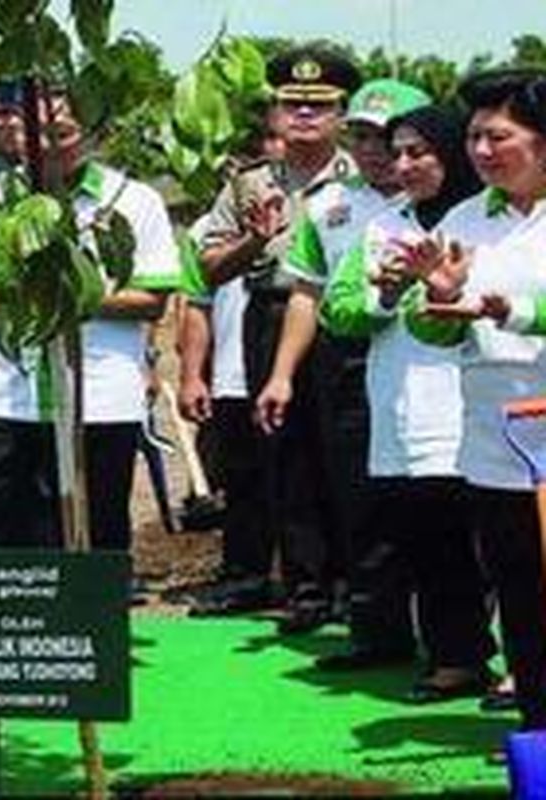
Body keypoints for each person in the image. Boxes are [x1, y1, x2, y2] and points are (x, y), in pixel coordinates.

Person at [0, 91, 180, 553]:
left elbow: (151, 297)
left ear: (94, 136)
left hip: (99, 399)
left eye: (62, 134)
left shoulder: (132, 201)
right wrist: (28, 300)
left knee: (93, 536)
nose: (46, 146)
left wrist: (69, 297)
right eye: (35, 132)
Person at [321, 103, 497, 701]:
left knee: (501, 543)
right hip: (406, 407)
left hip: (481, 402)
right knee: (432, 538)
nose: (402, 165)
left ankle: (518, 662)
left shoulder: (484, 221)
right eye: (396, 153)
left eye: (417, 152)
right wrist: (389, 293)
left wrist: (445, 288)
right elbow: (338, 309)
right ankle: (457, 656)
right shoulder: (381, 225)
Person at [255, 78, 431, 662]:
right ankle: (378, 631)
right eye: (362, 137)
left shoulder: (445, 201)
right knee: (358, 497)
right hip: (347, 363)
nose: (376, 151)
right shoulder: (327, 205)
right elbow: (307, 292)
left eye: (388, 137)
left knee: (433, 501)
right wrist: (282, 374)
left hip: (429, 362)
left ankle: (453, 638)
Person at [404, 68, 546, 742]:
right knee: (522, 598)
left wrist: (509, 309)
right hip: (498, 444)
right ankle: (539, 732)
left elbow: (512, 309)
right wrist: (437, 297)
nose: (482, 151)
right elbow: (429, 328)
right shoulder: (462, 222)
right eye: (474, 138)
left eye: (499, 136)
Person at [199, 45, 361, 634]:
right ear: (274, 113)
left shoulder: (363, 178)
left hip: (342, 324)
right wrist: (251, 240)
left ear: (342, 114)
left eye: (320, 106)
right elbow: (209, 268)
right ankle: (307, 587)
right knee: (284, 454)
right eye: (292, 104)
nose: (304, 115)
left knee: (345, 452)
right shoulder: (248, 184)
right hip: (269, 316)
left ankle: (356, 585)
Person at [178, 107, 285, 614]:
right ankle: (245, 575)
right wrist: (192, 374)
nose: (276, 148)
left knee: (303, 478)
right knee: (243, 481)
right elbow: (196, 303)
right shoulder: (208, 230)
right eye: (266, 140)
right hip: (234, 373)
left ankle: (313, 583)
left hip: (293, 367)